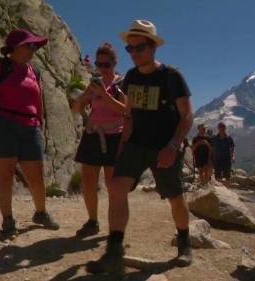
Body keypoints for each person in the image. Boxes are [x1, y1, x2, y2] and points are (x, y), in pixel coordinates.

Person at [86, 20, 194, 273]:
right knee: (116, 188)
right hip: (136, 144)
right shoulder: (131, 77)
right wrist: (124, 145)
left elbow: (187, 116)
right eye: (130, 49)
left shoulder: (172, 77)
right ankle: (114, 251)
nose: (134, 53)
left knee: (175, 198)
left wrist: (173, 145)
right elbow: (129, 114)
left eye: (139, 48)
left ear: (153, 47)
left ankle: (185, 243)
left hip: (164, 146)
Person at [0, 29, 59, 237]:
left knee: (37, 174)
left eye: (35, 46)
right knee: (5, 174)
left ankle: (41, 213)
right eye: (30, 46)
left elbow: (38, 100)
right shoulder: (0, 65)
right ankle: (8, 221)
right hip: (1, 125)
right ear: (15, 48)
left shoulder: (34, 73)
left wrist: (39, 123)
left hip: (29, 126)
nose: (33, 50)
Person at [72, 43, 126, 238]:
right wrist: (84, 96)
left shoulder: (121, 83)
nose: (102, 69)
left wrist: (104, 94)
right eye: (98, 64)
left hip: (114, 137)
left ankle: (115, 225)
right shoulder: (93, 84)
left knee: (112, 184)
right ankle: (93, 220)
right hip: (94, 135)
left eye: (106, 64)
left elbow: (125, 109)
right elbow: (77, 109)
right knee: (88, 181)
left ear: (114, 63)